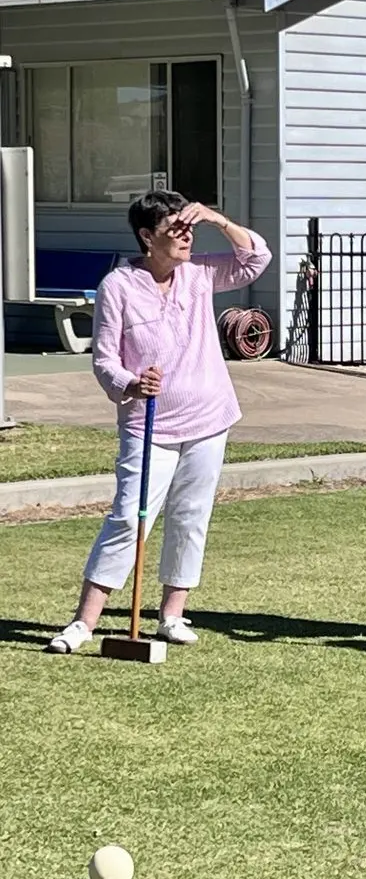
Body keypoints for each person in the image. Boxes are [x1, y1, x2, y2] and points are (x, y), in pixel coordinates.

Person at [46, 191, 273, 654]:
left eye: (190, 227)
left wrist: (215, 219)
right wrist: (130, 383)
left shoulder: (201, 273)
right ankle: (84, 622)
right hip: (148, 424)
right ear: (148, 237)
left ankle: (172, 614)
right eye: (177, 228)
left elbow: (256, 258)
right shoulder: (118, 286)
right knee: (129, 516)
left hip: (209, 416)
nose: (187, 235)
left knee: (191, 517)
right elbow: (104, 359)